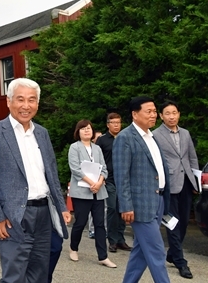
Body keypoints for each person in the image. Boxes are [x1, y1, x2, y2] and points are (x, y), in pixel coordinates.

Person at [0, 77, 71, 283]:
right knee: (14, 276)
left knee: (39, 274)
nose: (26, 106)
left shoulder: (42, 133)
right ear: (8, 101)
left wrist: (62, 206)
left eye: (32, 100)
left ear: (37, 103)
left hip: (43, 213)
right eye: (20, 99)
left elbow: (51, 173)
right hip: (14, 216)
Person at [113, 96, 170, 283]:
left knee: (141, 252)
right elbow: (121, 175)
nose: (153, 115)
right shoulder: (125, 138)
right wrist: (126, 205)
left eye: (155, 111)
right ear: (135, 114)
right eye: (149, 111)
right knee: (156, 252)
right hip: (139, 205)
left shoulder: (151, 137)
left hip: (158, 201)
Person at [153, 100, 198, 279]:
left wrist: (195, 181)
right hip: (168, 185)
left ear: (179, 114)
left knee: (185, 221)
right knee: (173, 223)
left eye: (174, 113)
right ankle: (180, 262)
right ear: (161, 116)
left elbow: (191, 158)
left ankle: (172, 253)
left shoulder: (185, 133)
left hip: (186, 182)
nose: (172, 116)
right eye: (168, 113)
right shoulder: (155, 135)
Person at [67, 120, 115, 268]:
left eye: (89, 128)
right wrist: (91, 182)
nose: (86, 131)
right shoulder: (74, 148)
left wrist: (99, 182)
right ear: (78, 132)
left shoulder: (97, 149)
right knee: (80, 222)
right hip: (82, 191)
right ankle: (73, 248)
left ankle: (103, 256)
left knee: (100, 224)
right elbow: (75, 169)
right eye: (83, 129)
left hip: (98, 192)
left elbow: (104, 169)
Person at [96, 113, 132, 253]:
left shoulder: (125, 138)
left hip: (124, 179)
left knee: (123, 208)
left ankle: (121, 239)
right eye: (113, 122)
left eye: (118, 122)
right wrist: (100, 178)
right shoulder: (102, 140)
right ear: (108, 124)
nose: (116, 125)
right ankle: (112, 240)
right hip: (109, 179)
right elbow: (97, 159)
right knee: (112, 208)